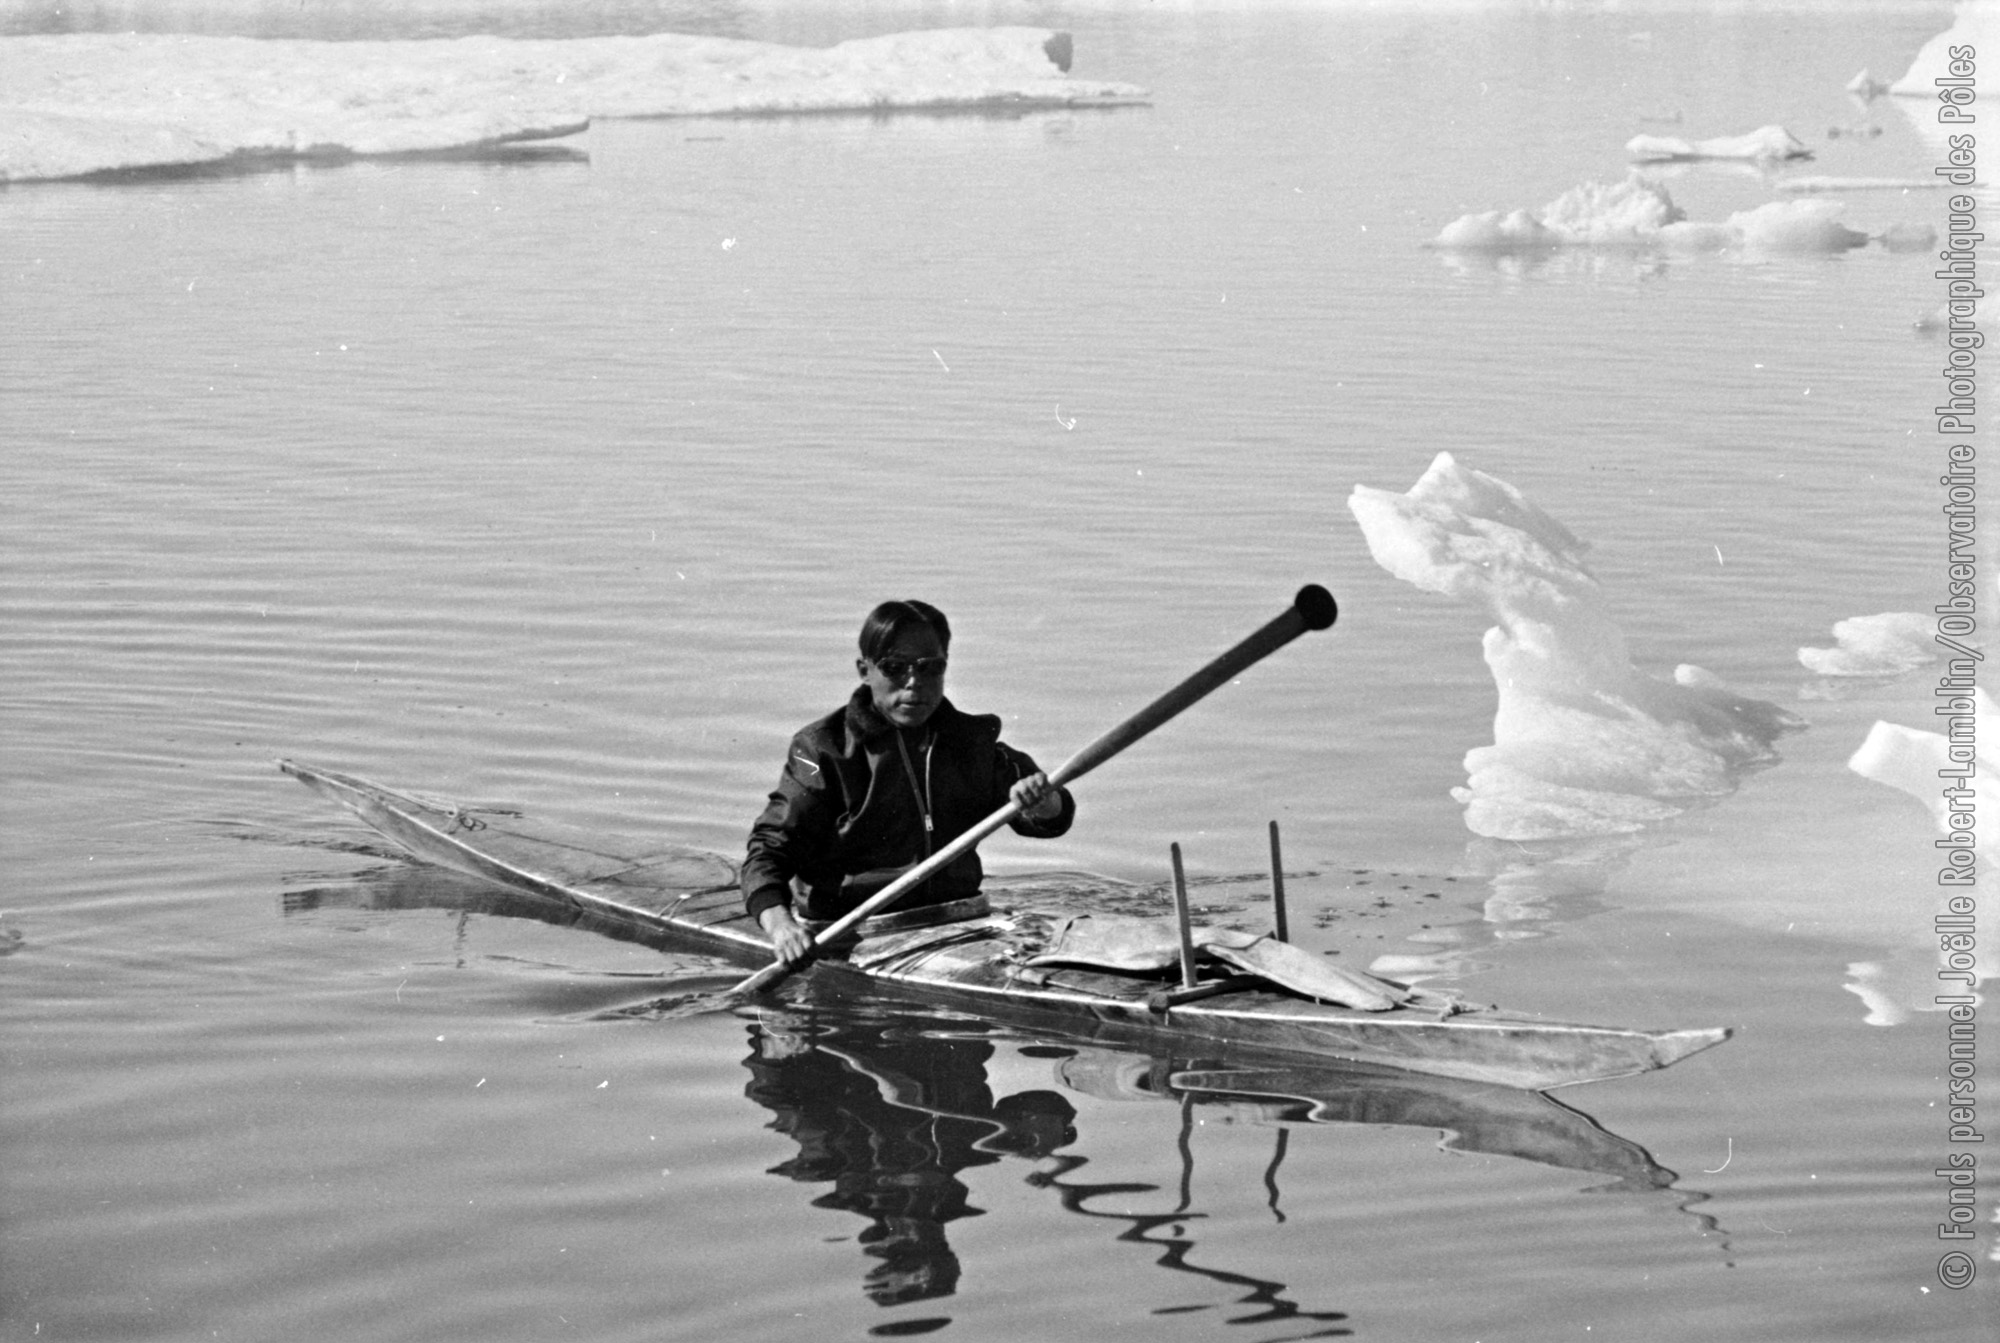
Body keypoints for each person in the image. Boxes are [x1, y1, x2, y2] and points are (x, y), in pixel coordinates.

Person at [743, 599, 1074, 964]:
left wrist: (1045, 804)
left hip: (961, 920)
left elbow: (1051, 817)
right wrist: (781, 927)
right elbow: (769, 849)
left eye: (930, 668)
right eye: (895, 668)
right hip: (851, 931)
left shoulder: (970, 741)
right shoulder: (821, 751)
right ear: (864, 670)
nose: (915, 683)